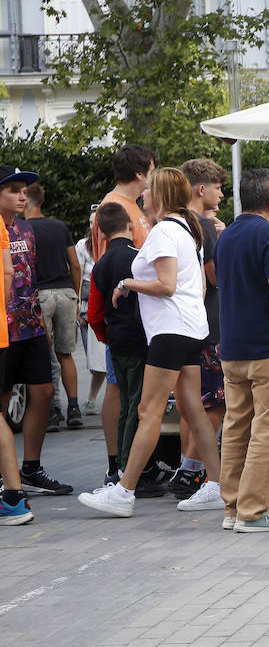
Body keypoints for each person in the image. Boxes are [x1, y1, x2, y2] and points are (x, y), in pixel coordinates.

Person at [77, 168, 223, 518]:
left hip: (170, 331)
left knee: (148, 410)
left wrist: (127, 282)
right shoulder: (188, 230)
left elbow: (167, 284)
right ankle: (217, 485)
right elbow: (196, 287)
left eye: (147, 192)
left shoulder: (163, 232)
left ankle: (124, 491)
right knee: (192, 409)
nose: (141, 196)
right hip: (190, 328)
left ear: (158, 196)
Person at [215, 169, 269, 532]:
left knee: (236, 426)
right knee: (268, 428)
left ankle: (233, 508)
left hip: (233, 347)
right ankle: (253, 511)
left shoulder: (226, 234)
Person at [0, 166, 70, 496]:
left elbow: (30, 277)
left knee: (43, 393)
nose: (22, 194)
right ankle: (5, 475)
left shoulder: (27, 229)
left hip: (31, 326)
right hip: (3, 331)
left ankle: (31, 468)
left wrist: (40, 319)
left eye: (24, 189)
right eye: (13, 189)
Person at [89, 144, 156, 485]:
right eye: (153, 169)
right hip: (125, 319)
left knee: (128, 391)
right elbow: (109, 266)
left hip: (133, 319)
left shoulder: (132, 205)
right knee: (121, 389)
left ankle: (128, 462)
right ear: (142, 171)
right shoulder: (114, 206)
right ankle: (119, 465)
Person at [171, 157, 228, 499]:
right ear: (201, 189)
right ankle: (192, 471)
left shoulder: (175, 223)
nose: (221, 194)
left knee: (193, 403)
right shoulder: (203, 226)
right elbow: (215, 276)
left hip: (187, 324)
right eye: (218, 188)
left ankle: (188, 470)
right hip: (212, 323)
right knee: (215, 405)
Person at [87, 203, 147, 490]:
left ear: (100, 231)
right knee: (138, 403)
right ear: (131, 226)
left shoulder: (100, 265)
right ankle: (131, 467)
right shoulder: (139, 258)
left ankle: (122, 463)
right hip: (141, 339)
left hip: (116, 340)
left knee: (124, 403)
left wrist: (105, 337)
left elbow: (94, 314)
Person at [23, 183, 84, 430]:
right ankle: (74, 408)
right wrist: (76, 296)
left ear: (25, 200)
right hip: (66, 293)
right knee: (66, 354)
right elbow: (75, 264)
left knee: (45, 356)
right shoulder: (59, 226)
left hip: (41, 295)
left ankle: (52, 411)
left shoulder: (22, 229)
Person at [0, 184, 34, 525]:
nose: (22, 196)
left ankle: (13, 496)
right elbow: (9, 273)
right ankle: (12, 494)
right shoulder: (2, 227)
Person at [75, 234, 108, 418]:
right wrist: (77, 304)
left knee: (102, 359)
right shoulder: (83, 245)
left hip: (106, 305)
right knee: (95, 361)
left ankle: (92, 398)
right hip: (88, 306)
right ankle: (92, 399)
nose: (92, 226)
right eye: (90, 222)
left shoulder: (110, 243)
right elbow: (78, 273)